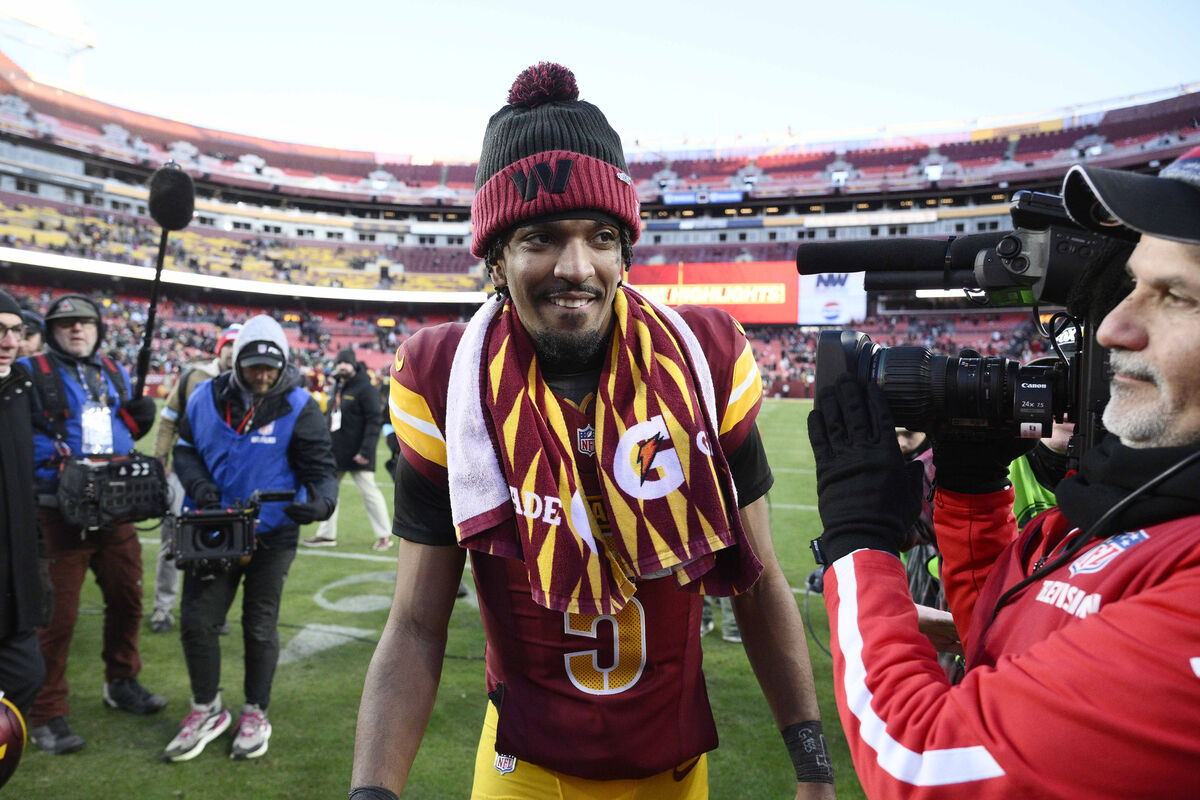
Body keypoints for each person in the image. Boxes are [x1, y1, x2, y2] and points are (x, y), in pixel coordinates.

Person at [351, 63, 834, 800]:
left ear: (625, 249)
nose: (576, 267)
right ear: (495, 255)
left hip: (672, 771)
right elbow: (416, 625)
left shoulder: (704, 356)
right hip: (523, 769)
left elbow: (758, 583)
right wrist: (371, 793)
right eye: (540, 237)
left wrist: (812, 766)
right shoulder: (445, 377)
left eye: (601, 236)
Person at [806, 146, 1200, 798]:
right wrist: (971, 491)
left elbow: (924, 763)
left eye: (1177, 296)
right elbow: (1016, 638)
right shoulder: (1148, 507)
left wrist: (859, 539)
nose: (1113, 329)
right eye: (1131, 286)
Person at [164, 314, 337, 762]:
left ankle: (255, 710)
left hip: (271, 533)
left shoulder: (300, 405)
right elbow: (184, 450)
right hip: (212, 528)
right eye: (252, 366)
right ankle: (206, 707)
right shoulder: (203, 396)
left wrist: (320, 503)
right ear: (237, 362)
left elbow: (321, 471)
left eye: (269, 367)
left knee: (259, 625)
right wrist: (201, 488)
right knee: (197, 621)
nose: (261, 375)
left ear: (283, 365)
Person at [20, 294, 163, 755]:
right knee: (56, 618)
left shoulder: (115, 371)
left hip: (116, 505)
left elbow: (119, 429)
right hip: (59, 512)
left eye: (84, 322)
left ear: (98, 328)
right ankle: (45, 712)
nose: (76, 329)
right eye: (66, 323)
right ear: (51, 328)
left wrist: (135, 424)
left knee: (128, 598)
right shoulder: (31, 372)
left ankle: (121, 681)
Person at [149, 323, 241, 633]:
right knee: (171, 541)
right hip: (185, 472)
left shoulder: (249, 382)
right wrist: (161, 460)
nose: (233, 351)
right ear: (221, 348)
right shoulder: (193, 376)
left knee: (225, 544)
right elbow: (168, 420)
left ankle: (215, 613)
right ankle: (163, 609)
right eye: (230, 344)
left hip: (225, 479)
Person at [0, 290, 47, 724]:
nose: (9, 341)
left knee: (26, 677)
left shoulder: (19, 391)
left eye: (15, 331)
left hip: (12, 575)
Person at [301, 348, 391, 551]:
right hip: (336, 452)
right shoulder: (337, 386)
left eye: (346, 362)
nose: (342, 366)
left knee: (370, 494)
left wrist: (366, 451)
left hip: (359, 453)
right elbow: (330, 418)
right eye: (339, 362)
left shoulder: (366, 389)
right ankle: (326, 535)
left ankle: (384, 535)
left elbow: (374, 421)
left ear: (353, 365)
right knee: (329, 493)